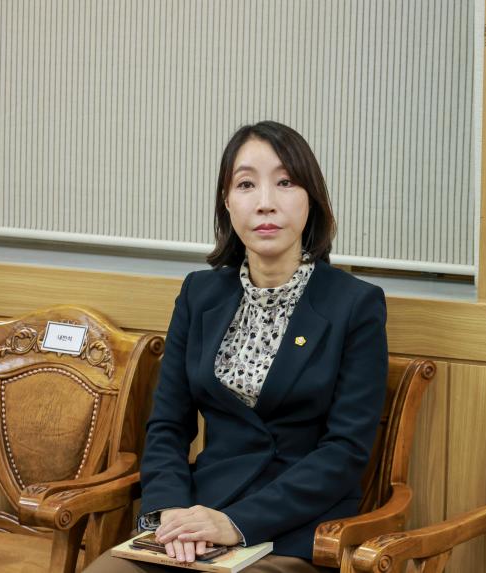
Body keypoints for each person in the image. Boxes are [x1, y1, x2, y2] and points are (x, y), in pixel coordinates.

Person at [85, 121, 388, 573]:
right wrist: (171, 511)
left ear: (311, 199)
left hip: (293, 530)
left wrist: (236, 523)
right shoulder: (199, 294)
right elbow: (167, 425)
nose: (265, 202)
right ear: (227, 202)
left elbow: (344, 452)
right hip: (197, 518)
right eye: (246, 184)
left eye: (285, 182)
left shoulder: (355, 305)